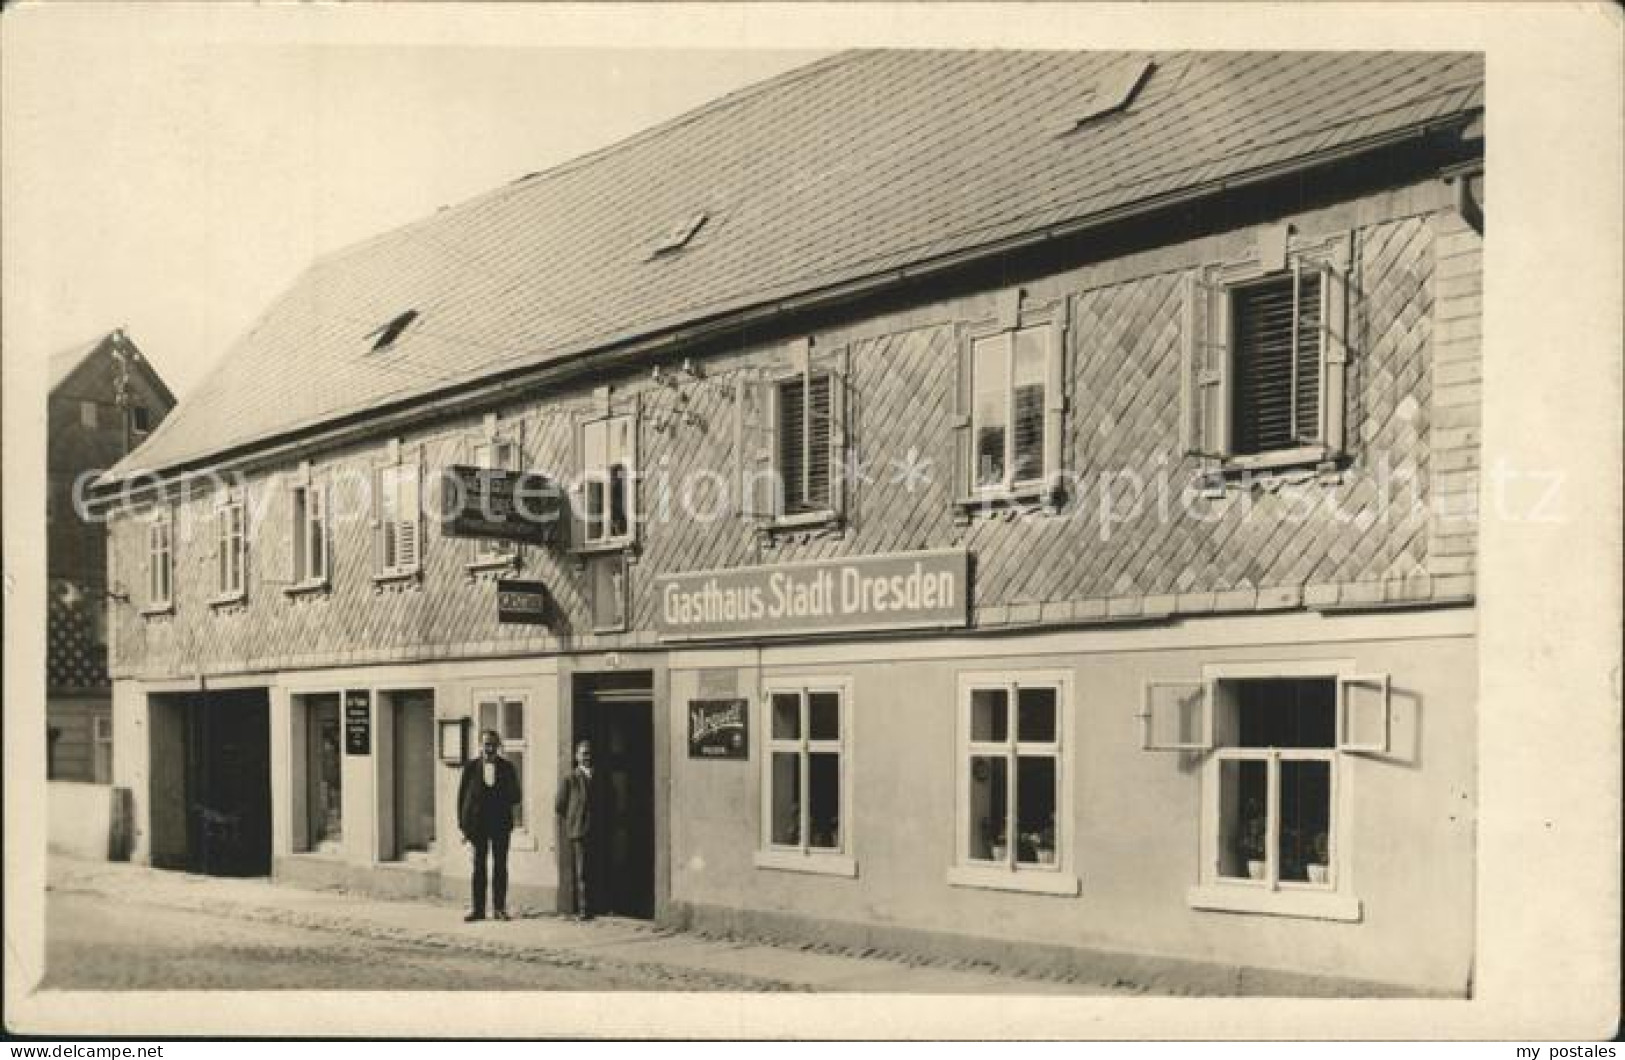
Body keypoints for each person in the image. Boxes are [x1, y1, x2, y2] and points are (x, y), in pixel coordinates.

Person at [457, 729, 521, 922]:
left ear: (498, 746)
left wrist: (502, 795)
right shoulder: (470, 768)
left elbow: (516, 796)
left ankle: (499, 909)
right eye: (486, 744)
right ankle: (478, 909)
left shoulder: (507, 768)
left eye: (493, 745)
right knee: (479, 867)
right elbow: (462, 798)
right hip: (478, 825)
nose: (489, 749)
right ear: (480, 745)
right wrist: (463, 825)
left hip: (500, 824)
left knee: (500, 866)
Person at [553, 739, 605, 920]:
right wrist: (575, 819)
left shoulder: (599, 777)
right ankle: (584, 908)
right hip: (579, 830)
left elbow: (609, 800)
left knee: (598, 867)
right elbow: (559, 805)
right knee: (582, 871)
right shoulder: (571, 779)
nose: (586, 757)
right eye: (583, 754)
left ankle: (599, 905)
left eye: (589, 754)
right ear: (576, 757)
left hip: (598, 828)